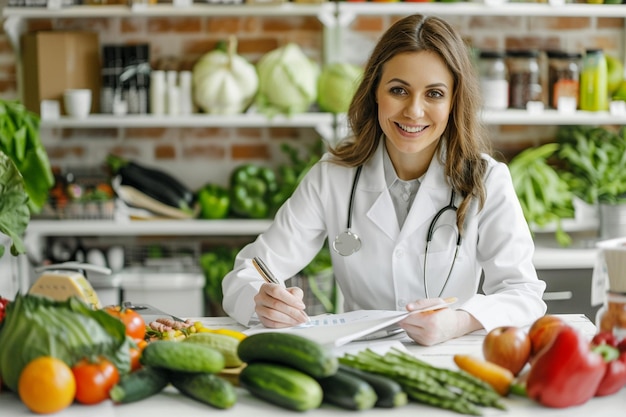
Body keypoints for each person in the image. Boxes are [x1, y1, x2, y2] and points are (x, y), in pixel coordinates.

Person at [221, 14, 546, 346]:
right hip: (358, 362)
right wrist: (261, 299)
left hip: (449, 358)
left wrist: (458, 322)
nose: (414, 111)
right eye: (399, 90)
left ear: (453, 102)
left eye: (433, 94)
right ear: (375, 91)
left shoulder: (487, 180)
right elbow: (247, 271)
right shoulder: (333, 177)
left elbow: (524, 295)